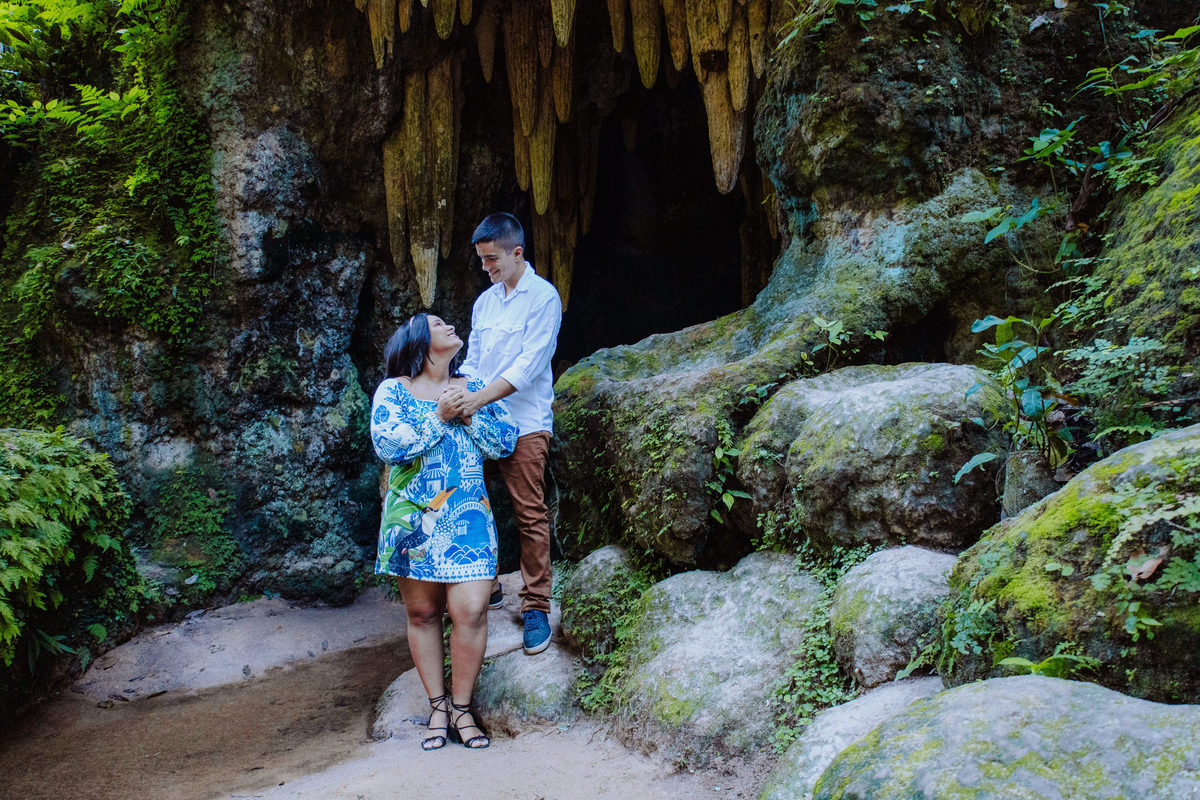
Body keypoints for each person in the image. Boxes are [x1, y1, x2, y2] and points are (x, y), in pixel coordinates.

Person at [370, 312, 518, 750]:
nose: (449, 325)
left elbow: (505, 441)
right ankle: (438, 708)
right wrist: (439, 416)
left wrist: (469, 413)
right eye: (437, 323)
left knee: (470, 610)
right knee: (422, 614)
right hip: (412, 519)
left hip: (468, 519)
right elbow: (388, 445)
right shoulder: (394, 390)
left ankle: (462, 708)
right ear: (419, 340)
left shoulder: (475, 385)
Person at [448, 212, 562, 656]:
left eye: (492, 259)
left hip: (525, 421)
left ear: (517, 253)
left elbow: (527, 368)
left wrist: (475, 400)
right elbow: (474, 362)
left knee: (529, 512)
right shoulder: (485, 303)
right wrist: (455, 393)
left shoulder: (544, 298)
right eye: (481, 260)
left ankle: (536, 607)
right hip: (480, 421)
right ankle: (488, 585)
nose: (486, 267)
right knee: (470, 500)